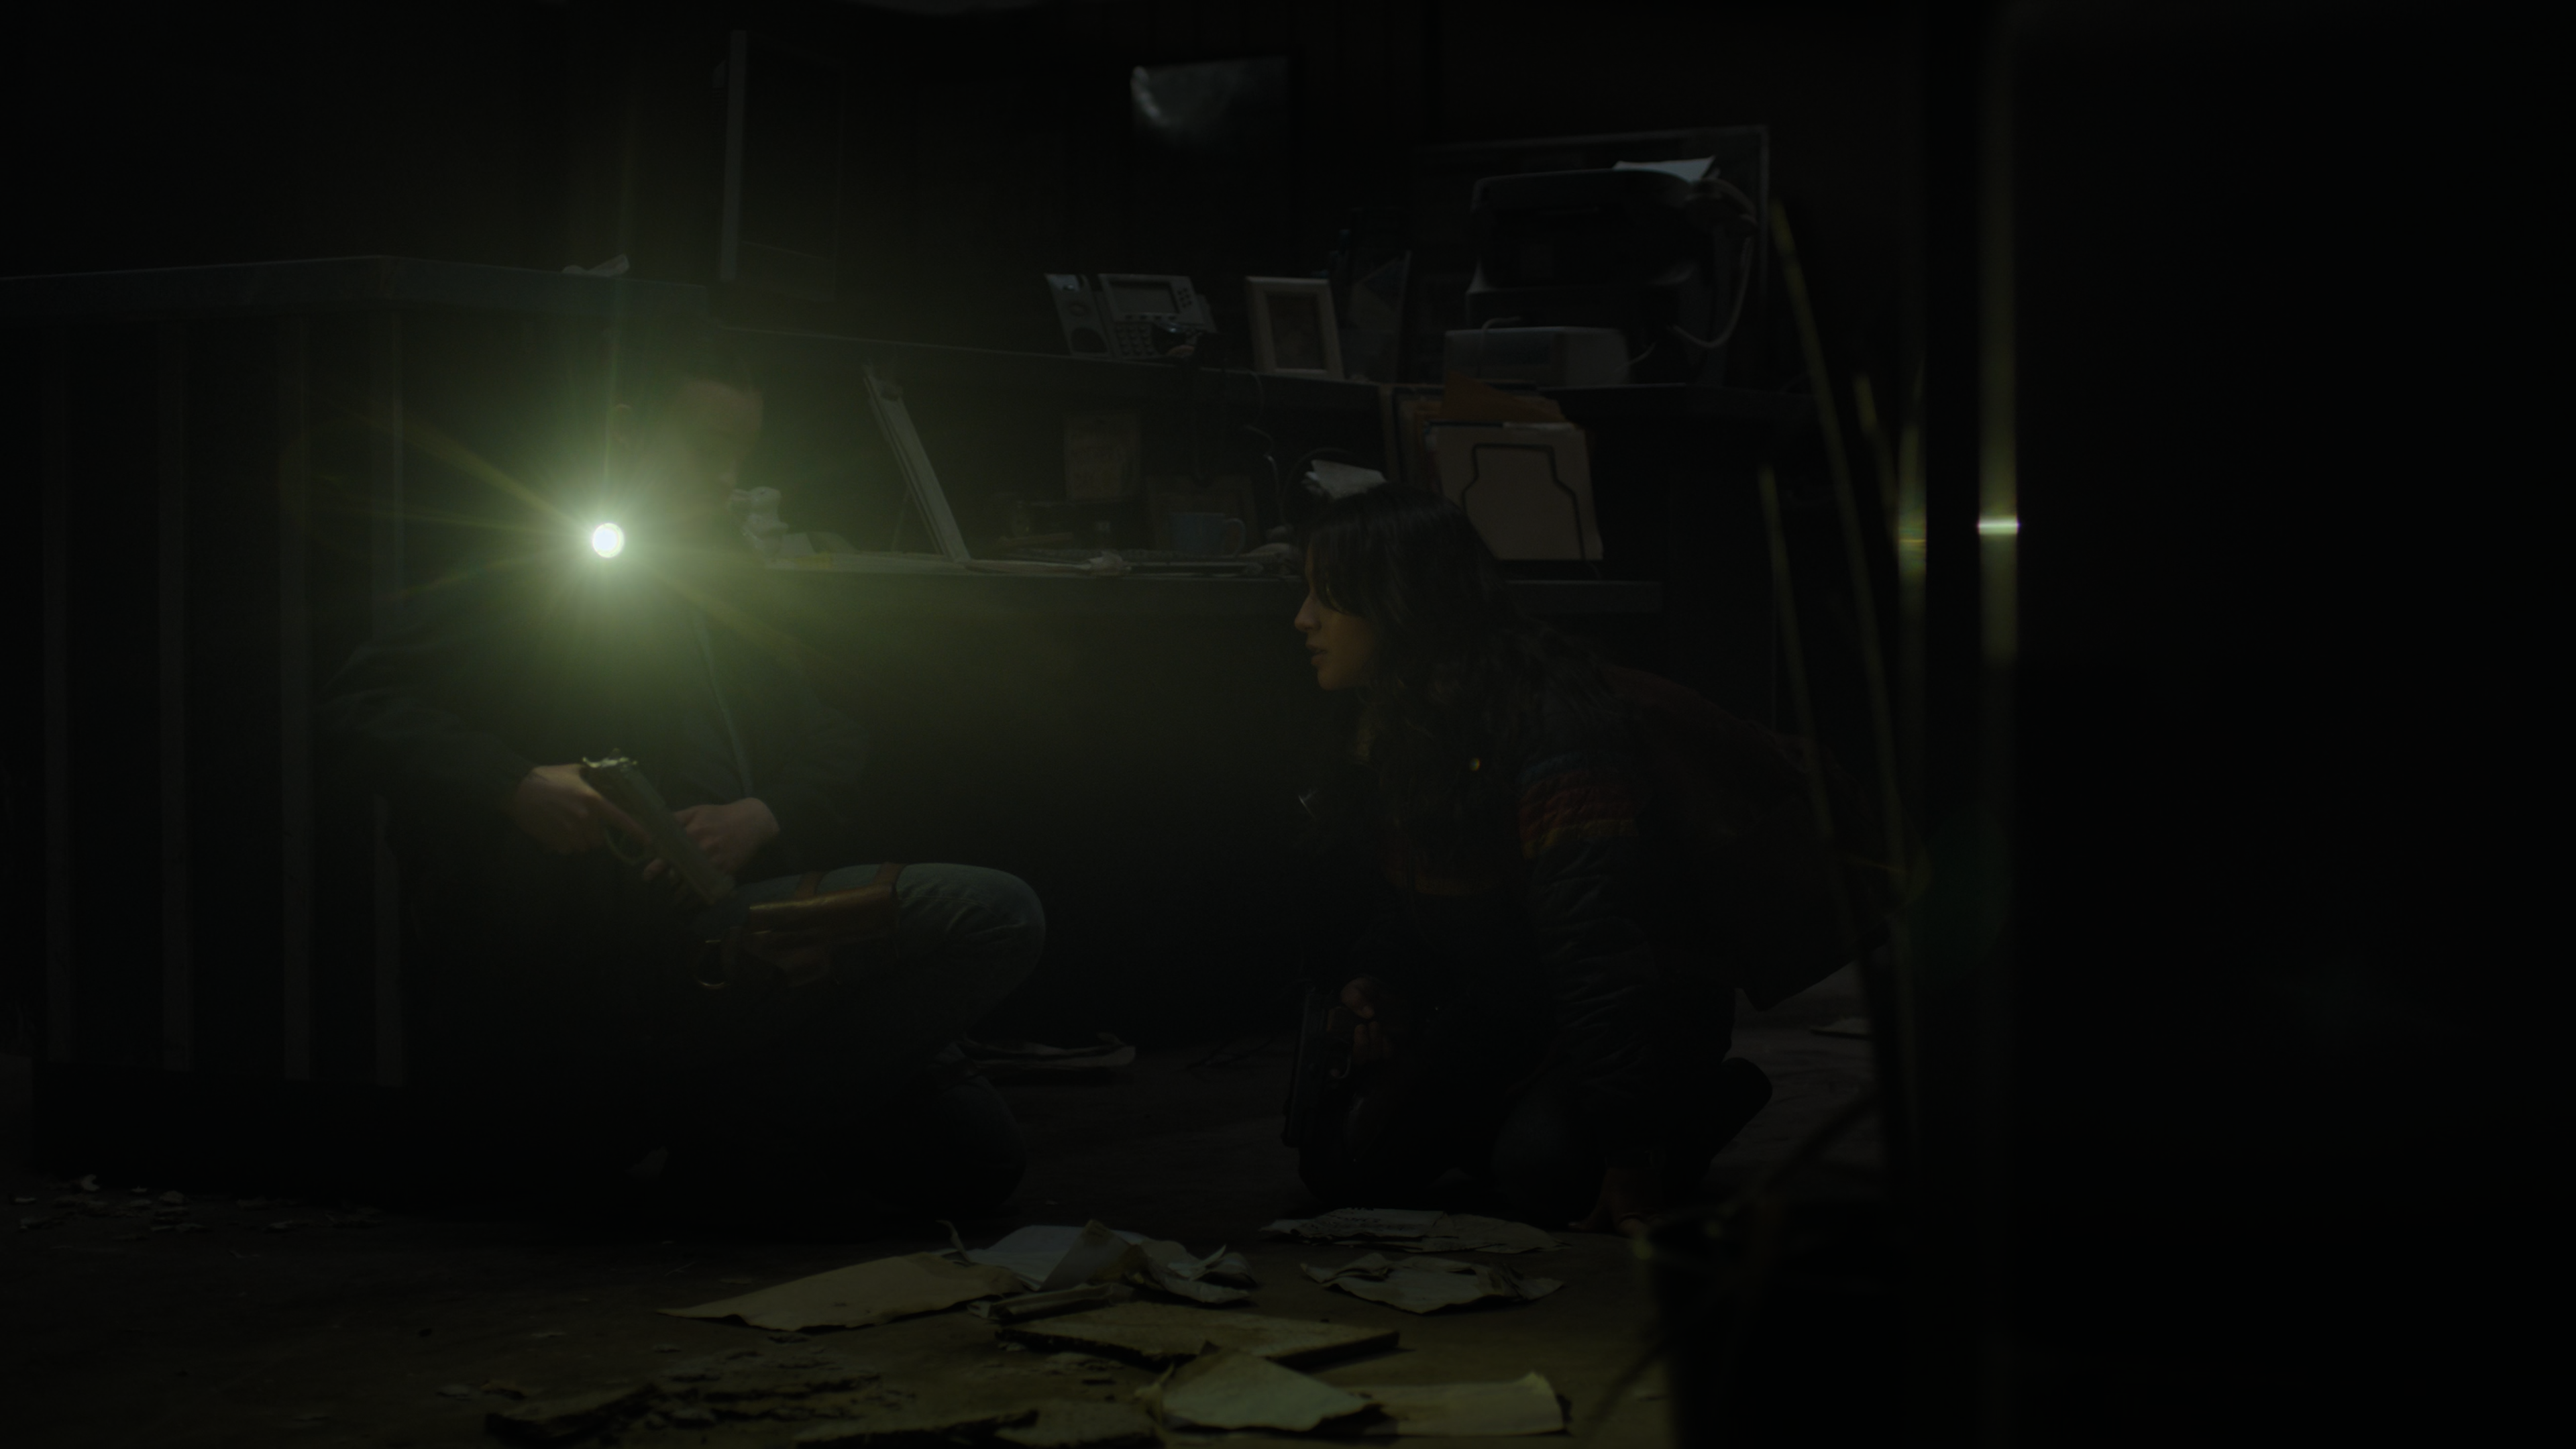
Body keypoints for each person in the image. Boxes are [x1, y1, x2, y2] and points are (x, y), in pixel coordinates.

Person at [317, 317, 1040, 1220]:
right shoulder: (539, 555)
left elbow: (832, 732)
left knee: (978, 1158)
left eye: (742, 453)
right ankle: (736, 1139)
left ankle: (739, 1124)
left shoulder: (719, 565)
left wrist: (761, 812)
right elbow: (362, 701)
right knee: (998, 913)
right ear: (628, 433)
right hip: (629, 944)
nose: (728, 476)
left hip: (750, 906)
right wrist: (516, 783)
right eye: (707, 448)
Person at [1286, 484, 1773, 1236]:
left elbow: (1596, 948)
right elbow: (1412, 896)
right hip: (1513, 1006)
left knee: (1547, 1174)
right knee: (1341, 1166)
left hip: (1641, 1013)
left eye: (1327, 595)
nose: (1304, 618)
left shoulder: (1550, 724)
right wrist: (1378, 981)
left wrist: (1633, 1157)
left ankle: (1702, 1103)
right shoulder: (1400, 720)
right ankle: (1528, 1118)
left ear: (1401, 602)